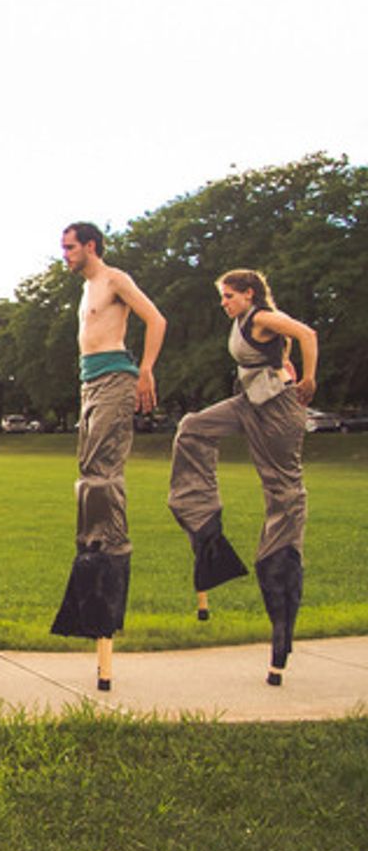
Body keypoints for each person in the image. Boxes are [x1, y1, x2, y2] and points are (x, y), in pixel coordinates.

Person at [168, 269, 316, 686]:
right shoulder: (241, 322)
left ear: (249, 294)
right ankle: (204, 523)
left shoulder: (262, 318)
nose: (224, 303)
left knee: (283, 495)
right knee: (192, 428)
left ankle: (281, 618)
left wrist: (308, 377)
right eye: (223, 297)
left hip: (277, 409)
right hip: (248, 402)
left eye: (229, 296)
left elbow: (308, 334)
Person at [49, 223, 165, 691]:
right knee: (87, 475)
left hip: (117, 378)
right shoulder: (85, 290)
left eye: (70, 247)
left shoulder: (114, 279)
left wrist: (145, 371)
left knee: (102, 472)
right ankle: (92, 546)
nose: (65, 254)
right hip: (89, 383)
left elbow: (156, 319)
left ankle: (108, 550)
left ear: (91, 246)